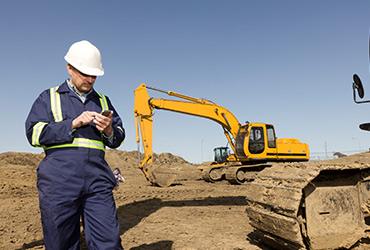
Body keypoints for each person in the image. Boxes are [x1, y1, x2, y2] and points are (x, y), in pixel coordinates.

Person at [25, 40, 125, 249]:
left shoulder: (104, 101)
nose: (90, 79)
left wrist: (108, 130)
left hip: (98, 180)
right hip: (59, 182)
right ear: (69, 68)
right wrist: (73, 123)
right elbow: (33, 134)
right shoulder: (49, 97)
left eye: (94, 75)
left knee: (109, 241)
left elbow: (118, 137)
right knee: (61, 242)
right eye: (84, 73)